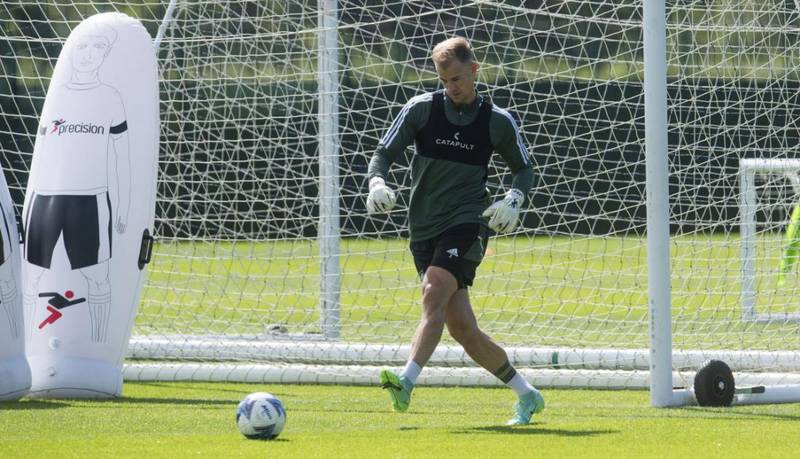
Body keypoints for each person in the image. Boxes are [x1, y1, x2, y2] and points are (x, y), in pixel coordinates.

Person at [366, 36, 544, 425]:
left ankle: (406, 380)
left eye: (458, 79)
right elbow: (382, 154)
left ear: (474, 71)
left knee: (433, 291)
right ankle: (527, 395)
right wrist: (376, 183)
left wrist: (514, 197)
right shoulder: (421, 110)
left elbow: (525, 168)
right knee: (463, 329)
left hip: (467, 223)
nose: (452, 87)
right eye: (445, 81)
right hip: (423, 226)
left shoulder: (496, 121)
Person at [25, 21, 130, 344]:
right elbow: (42, 154)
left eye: (97, 48)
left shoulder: (110, 97)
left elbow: (121, 157)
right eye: (83, 47)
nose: (87, 55)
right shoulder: (59, 95)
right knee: (32, 278)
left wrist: (123, 206)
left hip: (90, 201)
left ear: (105, 54)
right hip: (45, 199)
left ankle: (99, 344)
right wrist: (29, 207)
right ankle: (27, 342)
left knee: (97, 277)